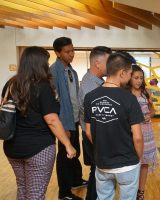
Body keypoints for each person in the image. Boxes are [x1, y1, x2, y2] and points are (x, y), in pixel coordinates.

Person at [2, 46, 76, 200]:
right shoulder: (43, 86)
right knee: (35, 194)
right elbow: (52, 120)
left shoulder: (11, 84)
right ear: (39, 63)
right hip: (39, 148)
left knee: (22, 188)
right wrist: (68, 145)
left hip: (13, 147)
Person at [84, 51, 144, 200]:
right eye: (130, 73)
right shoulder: (129, 99)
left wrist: (102, 150)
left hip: (102, 163)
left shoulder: (90, 97)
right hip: (127, 163)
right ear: (123, 73)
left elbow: (89, 133)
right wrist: (138, 158)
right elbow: (137, 137)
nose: (130, 77)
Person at [50, 37, 86, 200]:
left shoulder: (72, 71)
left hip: (74, 119)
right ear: (58, 53)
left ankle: (76, 180)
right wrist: (63, 125)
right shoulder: (53, 72)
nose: (72, 54)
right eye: (67, 51)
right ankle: (64, 193)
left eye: (73, 50)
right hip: (63, 121)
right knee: (65, 155)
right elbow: (54, 101)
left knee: (74, 151)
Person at [78, 46, 112, 200]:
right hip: (94, 136)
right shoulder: (91, 86)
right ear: (97, 63)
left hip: (93, 135)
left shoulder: (94, 81)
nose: (111, 66)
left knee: (97, 172)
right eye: (108, 61)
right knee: (99, 173)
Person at [127, 64, 158, 200]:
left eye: (141, 78)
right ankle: (131, 192)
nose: (139, 81)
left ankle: (141, 192)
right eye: (136, 78)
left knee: (144, 163)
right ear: (129, 78)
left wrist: (149, 115)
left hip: (147, 132)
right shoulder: (125, 94)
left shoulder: (145, 92)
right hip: (132, 132)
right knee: (133, 163)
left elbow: (153, 110)